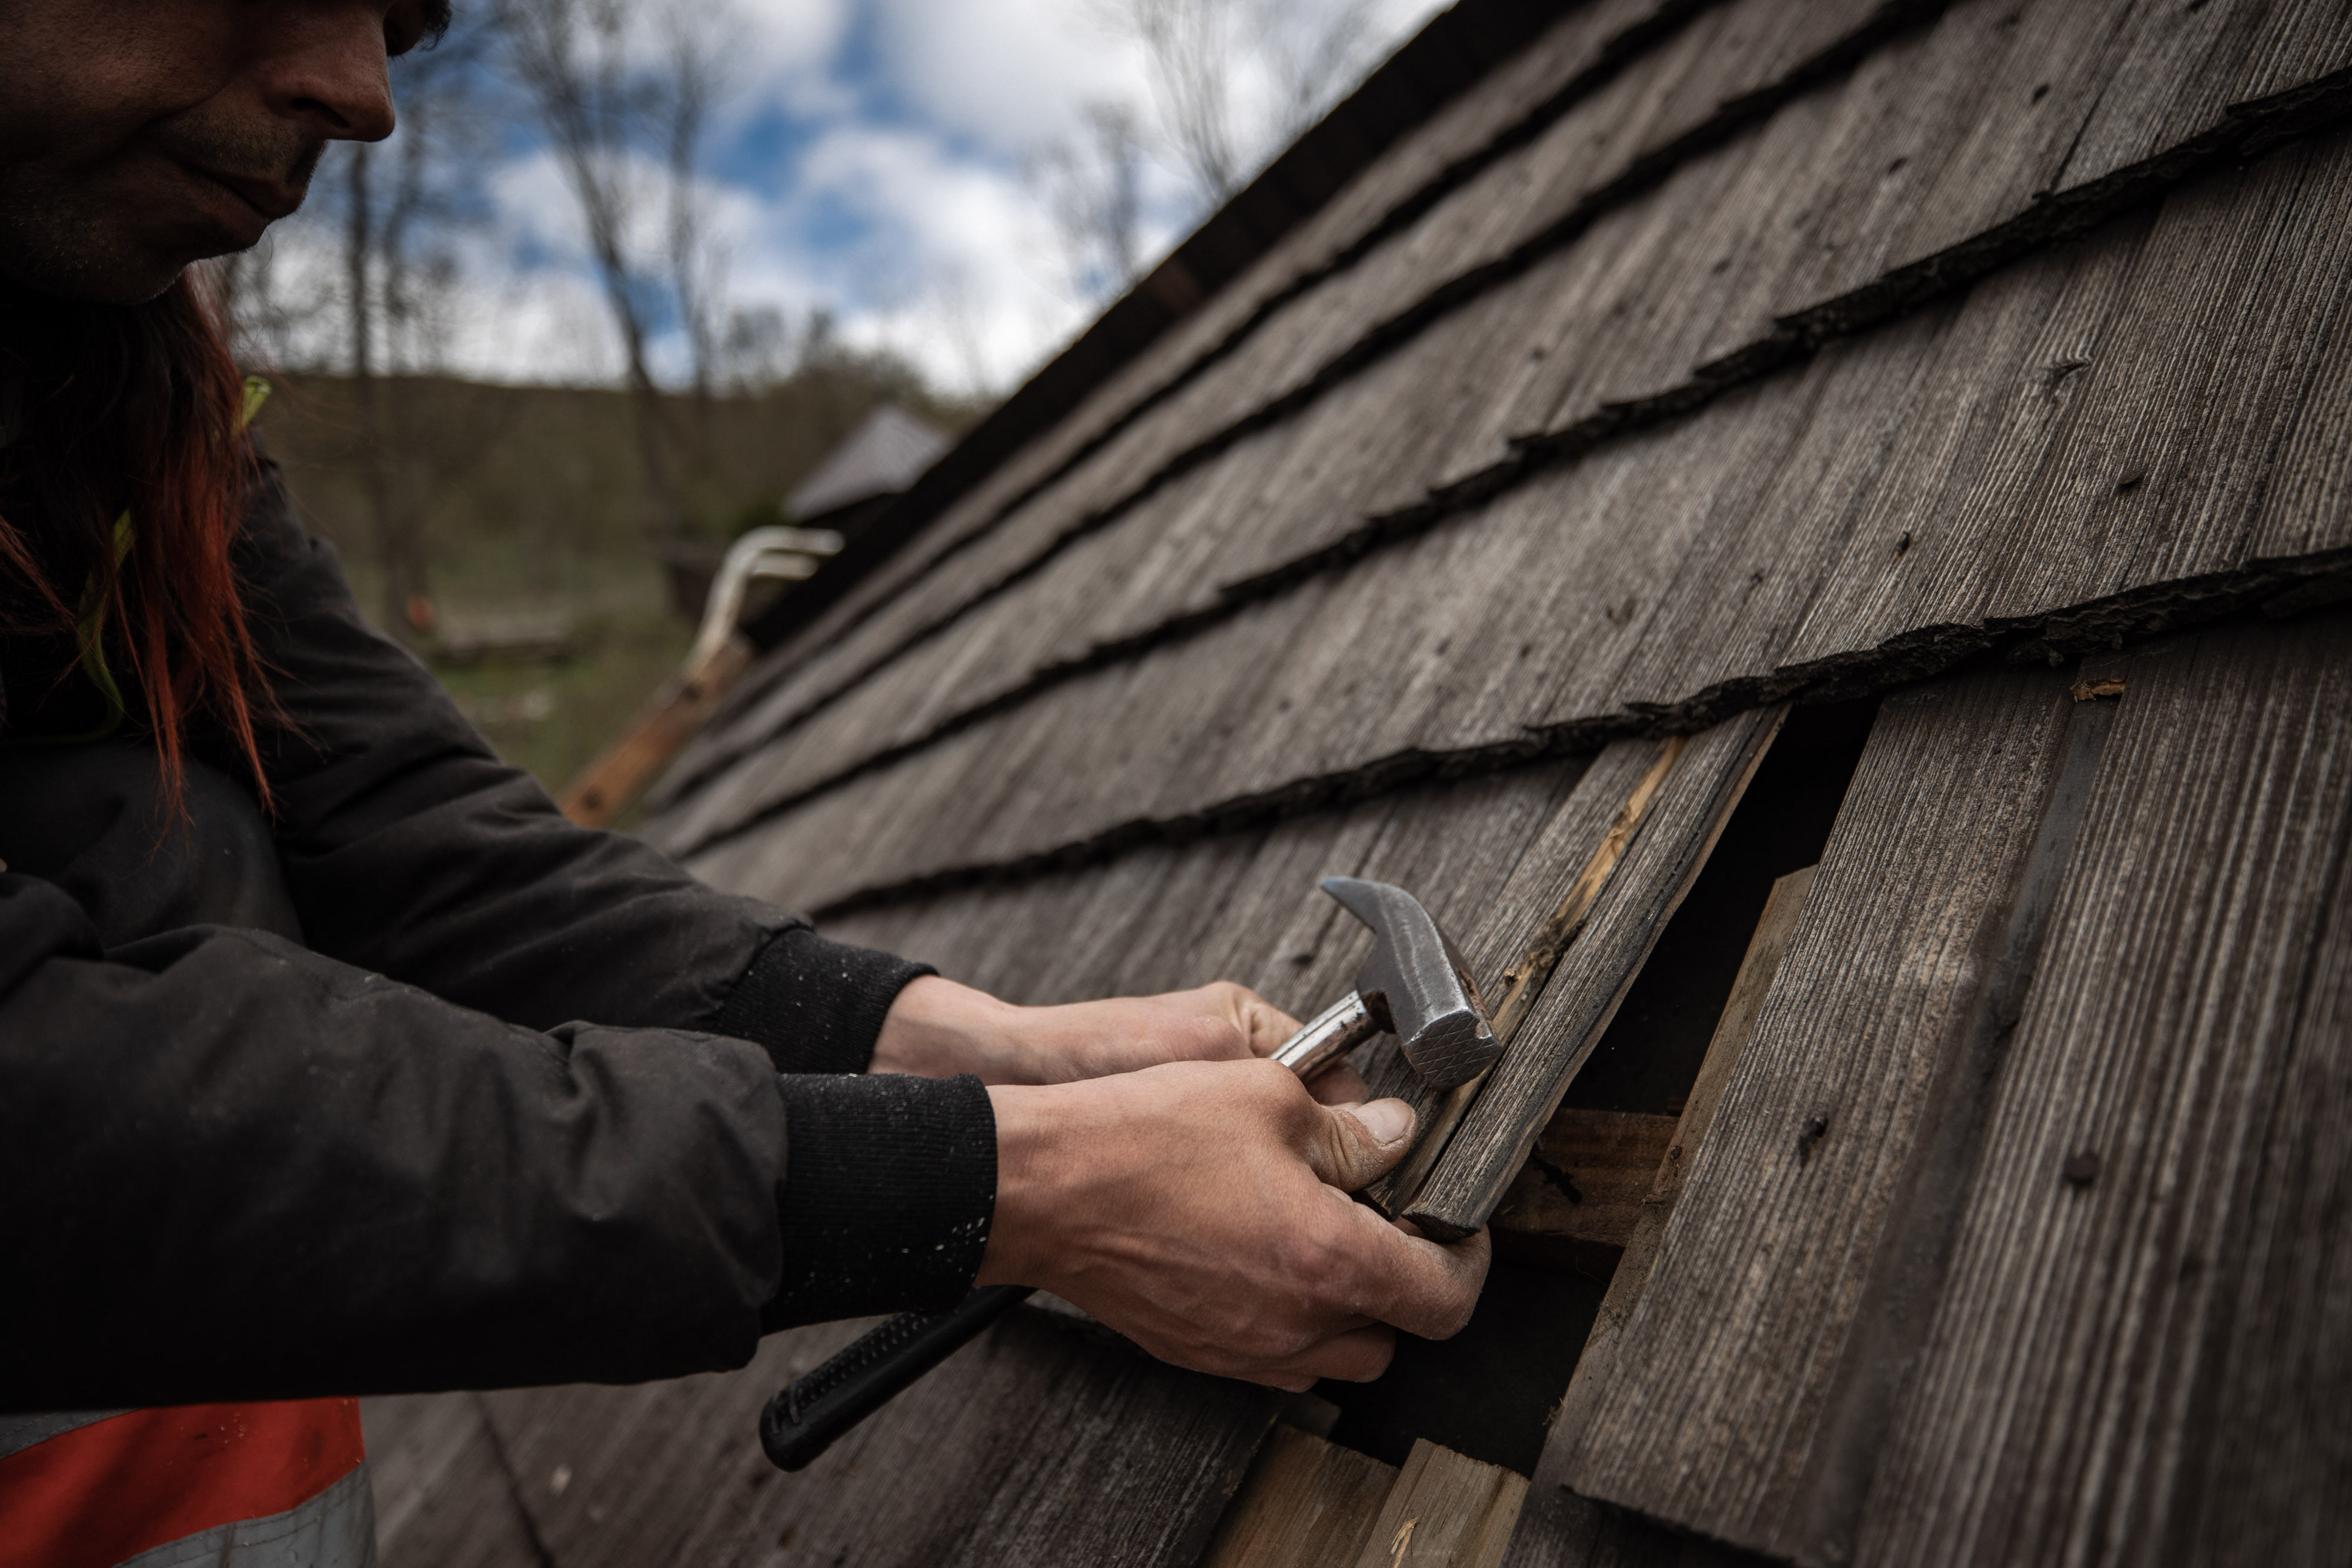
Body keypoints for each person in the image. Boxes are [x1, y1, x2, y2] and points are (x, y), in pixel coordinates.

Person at [0, 2, 1491, 1562]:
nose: (364, 92)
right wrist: (1019, 1183)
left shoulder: (121, 411)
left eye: (409, 16)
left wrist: (998, 1054)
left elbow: (420, 842)